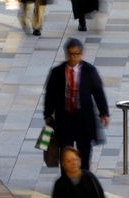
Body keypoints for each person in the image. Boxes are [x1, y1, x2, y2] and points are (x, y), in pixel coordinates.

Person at [43, 38, 109, 170]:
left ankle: (84, 179)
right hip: (64, 119)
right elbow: (50, 94)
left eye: (77, 54)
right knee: (65, 153)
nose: (73, 58)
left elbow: (98, 92)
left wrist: (104, 113)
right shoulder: (57, 72)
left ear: (81, 54)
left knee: (84, 153)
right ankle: (66, 182)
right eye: (71, 54)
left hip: (83, 119)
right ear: (66, 54)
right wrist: (48, 114)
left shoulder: (89, 71)